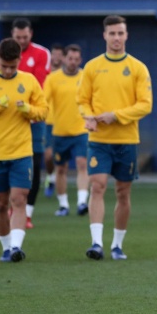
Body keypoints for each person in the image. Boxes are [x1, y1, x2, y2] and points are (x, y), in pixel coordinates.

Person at [77, 15, 152, 261]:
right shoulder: (92, 67)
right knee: (97, 186)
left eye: (121, 33)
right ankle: (96, 243)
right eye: (113, 33)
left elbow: (145, 105)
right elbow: (82, 100)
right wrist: (88, 117)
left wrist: (116, 116)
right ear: (105, 36)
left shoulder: (138, 68)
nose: (117, 38)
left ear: (126, 35)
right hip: (99, 141)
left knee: (123, 192)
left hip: (127, 141)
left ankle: (117, 245)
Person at [0, 38, 47, 262]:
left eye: (12, 67)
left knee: (19, 200)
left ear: (19, 61)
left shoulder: (29, 81)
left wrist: (29, 110)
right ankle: (5, 247)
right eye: (4, 66)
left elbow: (43, 111)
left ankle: (16, 248)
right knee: (1, 203)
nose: (7, 70)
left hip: (22, 152)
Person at [0, 18, 51, 229]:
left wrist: (29, 110)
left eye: (25, 37)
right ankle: (8, 206)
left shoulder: (42, 54)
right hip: (6, 122)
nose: (22, 40)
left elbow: (40, 85)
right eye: (18, 37)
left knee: (33, 165)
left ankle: (27, 212)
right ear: (12, 34)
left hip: (32, 118)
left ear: (31, 34)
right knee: (4, 163)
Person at [44, 44, 89, 217]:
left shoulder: (86, 76)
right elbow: (43, 100)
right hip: (60, 132)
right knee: (60, 169)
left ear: (80, 60)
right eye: (70, 58)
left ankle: (82, 202)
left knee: (82, 164)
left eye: (76, 59)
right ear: (64, 59)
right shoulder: (53, 79)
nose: (73, 62)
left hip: (81, 130)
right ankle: (63, 204)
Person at [44, 43, 65, 198]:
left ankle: (58, 186)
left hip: (62, 121)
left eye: (59, 55)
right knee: (48, 155)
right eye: (54, 54)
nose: (56, 58)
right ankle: (50, 177)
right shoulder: (45, 74)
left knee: (60, 157)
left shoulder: (68, 75)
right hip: (47, 121)